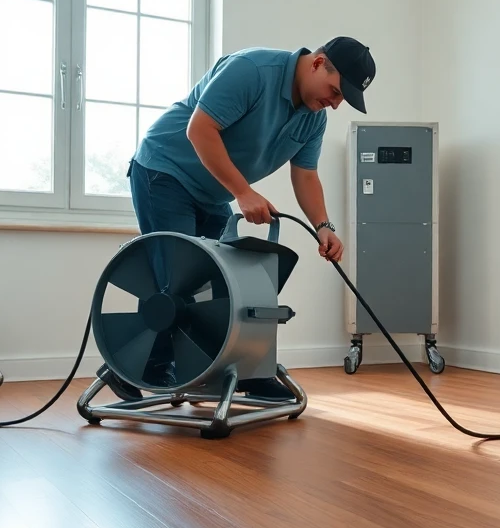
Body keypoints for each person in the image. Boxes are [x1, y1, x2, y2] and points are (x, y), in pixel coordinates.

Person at [97, 36, 376, 403]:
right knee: (174, 285)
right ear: (316, 63)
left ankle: (245, 372)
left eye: (343, 100)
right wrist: (244, 192)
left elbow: (305, 175)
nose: (335, 104)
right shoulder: (253, 71)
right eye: (336, 91)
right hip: (165, 172)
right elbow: (199, 130)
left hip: (213, 192)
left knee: (222, 289)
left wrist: (324, 226)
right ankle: (127, 369)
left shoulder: (313, 119)